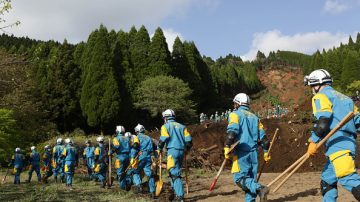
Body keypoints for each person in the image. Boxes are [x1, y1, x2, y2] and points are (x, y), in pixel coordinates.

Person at [304, 69, 360, 201]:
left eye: (312, 86)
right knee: (327, 182)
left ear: (317, 84)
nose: (312, 89)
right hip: (348, 143)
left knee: (347, 178)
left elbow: (323, 121)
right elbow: (358, 122)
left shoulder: (320, 96)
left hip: (337, 145)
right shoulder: (347, 99)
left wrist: (313, 141)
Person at [224, 93, 270, 202]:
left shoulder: (235, 114)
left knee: (239, 179)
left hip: (241, 152)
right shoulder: (255, 118)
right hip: (253, 153)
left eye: (235, 103)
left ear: (238, 103)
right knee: (250, 181)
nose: (234, 105)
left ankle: (260, 188)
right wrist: (265, 152)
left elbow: (231, 133)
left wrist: (227, 146)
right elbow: (264, 139)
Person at [157, 109, 193, 202]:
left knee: (174, 174)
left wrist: (159, 149)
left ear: (166, 117)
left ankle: (180, 197)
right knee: (173, 172)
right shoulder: (182, 127)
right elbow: (189, 141)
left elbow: (163, 139)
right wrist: (186, 150)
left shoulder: (165, 126)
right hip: (181, 152)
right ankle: (175, 193)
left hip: (172, 151)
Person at [130, 124, 156, 198]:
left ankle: (139, 185)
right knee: (149, 174)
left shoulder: (137, 137)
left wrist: (132, 157)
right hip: (149, 157)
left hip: (141, 157)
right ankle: (152, 192)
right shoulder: (149, 138)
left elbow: (135, 147)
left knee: (135, 171)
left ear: (137, 131)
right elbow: (154, 147)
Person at [112, 125, 132, 191]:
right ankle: (129, 183)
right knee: (127, 171)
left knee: (120, 172)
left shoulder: (116, 138)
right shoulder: (127, 138)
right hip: (127, 156)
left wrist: (110, 152)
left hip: (120, 156)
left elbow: (116, 147)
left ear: (117, 131)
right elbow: (131, 146)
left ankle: (123, 187)